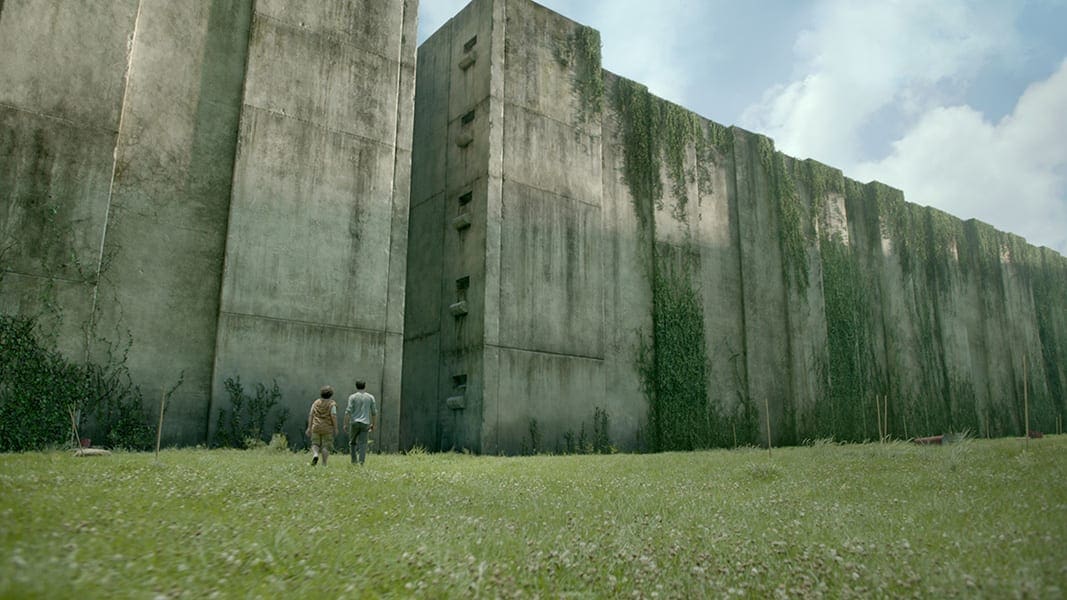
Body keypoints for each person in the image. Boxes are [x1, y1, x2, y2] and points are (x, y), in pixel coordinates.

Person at [344, 380, 377, 465]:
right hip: (365, 423)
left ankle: (354, 461)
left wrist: (345, 424)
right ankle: (361, 462)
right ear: (365, 386)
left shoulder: (352, 397)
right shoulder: (370, 397)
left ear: (356, 386)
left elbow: (348, 411)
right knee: (363, 443)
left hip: (354, 422)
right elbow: (374, 412)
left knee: (352, 443)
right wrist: (374, 424)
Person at [306, 386, 338, 466]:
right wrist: (335, 428)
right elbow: (333, 416)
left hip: (316, 426)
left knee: (315, 443)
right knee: (326, 446)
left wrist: (309, 428)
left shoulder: (316, 402)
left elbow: (311, 414)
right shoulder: (332, 404)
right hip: (327, 428)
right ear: (331, 394)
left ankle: (315, 454)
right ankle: (324, 463)